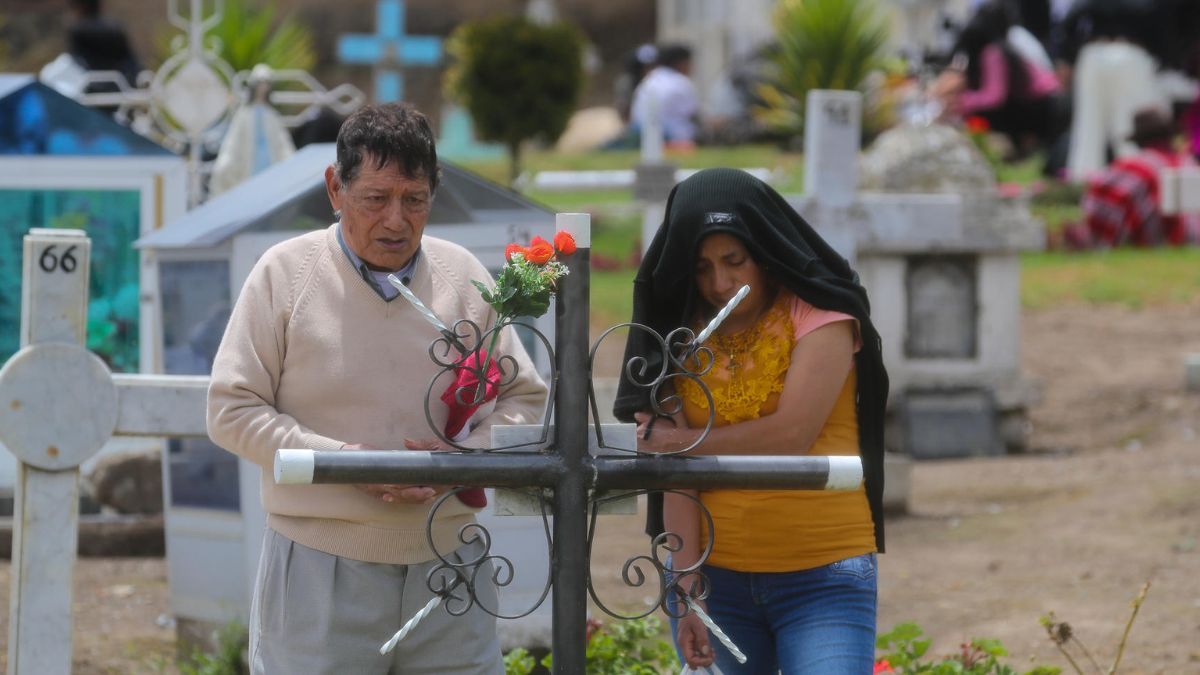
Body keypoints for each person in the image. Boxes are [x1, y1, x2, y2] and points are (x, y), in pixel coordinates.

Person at [206, 102, 548, 675]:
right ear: (335, 189)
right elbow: (231, 409)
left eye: (415, 200)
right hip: (319, 567)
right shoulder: (285, 273)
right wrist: (344, 463)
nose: (396, 220)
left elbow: (525, 400)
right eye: (375, 198)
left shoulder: (464, 275)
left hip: (450, 566)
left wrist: (464, 458)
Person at [614, 169, 888, 675]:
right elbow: (675, 476)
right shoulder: (678, 332)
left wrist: (677, 441)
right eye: (701, 268)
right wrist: (687, 584)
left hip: (824, 573)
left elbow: (791, 435)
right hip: (716, 581)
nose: (720, 284)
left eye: (734, 262)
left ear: (764, 251)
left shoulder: (820, 312)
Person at [939, 2, 1061, 155]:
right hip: (1043, 100)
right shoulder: (1001, 47)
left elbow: (995, 97)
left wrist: (964, 101)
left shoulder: (993, 52)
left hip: (1042, 104)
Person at [1078, 107, 1200, 247]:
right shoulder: (1190, 164)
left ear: (1138, 140)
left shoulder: (1131, 168)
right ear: (1170, 136)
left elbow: (1098, 213)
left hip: (1152, 244)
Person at [630, 43, 701, 146]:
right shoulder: (680, 82)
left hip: (642, 137)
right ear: (682, 63)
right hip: (672, 140)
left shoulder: (649, 79)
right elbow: (694, 115)